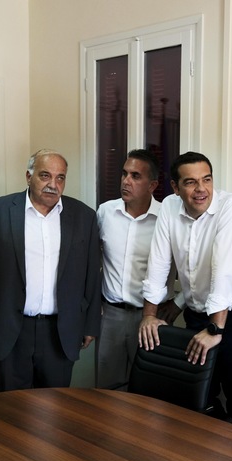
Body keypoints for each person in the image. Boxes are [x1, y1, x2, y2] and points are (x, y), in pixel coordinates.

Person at [139, 151, 232, 419]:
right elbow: (158, 262)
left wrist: (215, 328)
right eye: (191, 182)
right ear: (175, 187)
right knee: (199, 396)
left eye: (207, 179)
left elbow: (224, 272)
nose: (201, 189)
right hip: (196, 315)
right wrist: (149, 315)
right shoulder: (169, 206)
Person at [0, 149, 101, 391]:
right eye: (45, 175)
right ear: (29, 176)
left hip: (60, 331)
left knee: (55, 406)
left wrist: (90, 325)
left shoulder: (84, 217)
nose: (53, 184)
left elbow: (92, 276)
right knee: (11, 405)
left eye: (60, 177)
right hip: (10, 327)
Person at [96, 149, 168, 389]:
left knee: (147, 388)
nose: (126, 181)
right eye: (124, 174)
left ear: (152, 185)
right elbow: (92, 259)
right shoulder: (106, 212)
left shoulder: (165, 219)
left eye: (135, 176)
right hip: (111, 315)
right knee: (107, 388)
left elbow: (185, 266)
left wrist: (178, 304)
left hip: (149, 316)